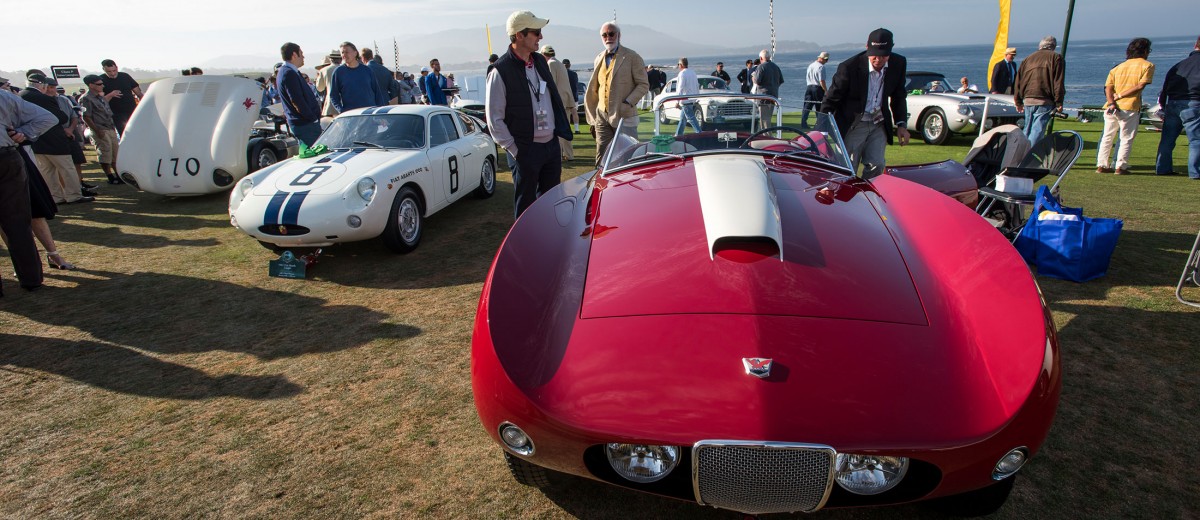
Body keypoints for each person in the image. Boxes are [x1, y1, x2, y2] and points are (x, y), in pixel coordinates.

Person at [486, 10, 572, 219]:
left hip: (550, 146)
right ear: (519, 35)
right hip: (525, 150)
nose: (541, 36)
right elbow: (494, 119)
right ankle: (526, 241)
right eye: (536, 32)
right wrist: (517, 151)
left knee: (551, 203)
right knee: (526, 209)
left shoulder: (540, 61)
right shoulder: (499, 71)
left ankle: (548, 237)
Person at [820, 28, 911, 179]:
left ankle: (868, 191)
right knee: (847, 169)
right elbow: (831, 98)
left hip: (879, 123)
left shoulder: (899, 63)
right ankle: (845, 192)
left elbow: (899, 95)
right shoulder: (849, 67)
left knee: (877, 164)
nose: (878, 60)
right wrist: (822, 130)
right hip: (853, 124)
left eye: (883, 55)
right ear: (867, 47)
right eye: (874, 55)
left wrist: (901, 124)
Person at [0, 88, 57, 294]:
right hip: (6, 158)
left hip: (7, 158)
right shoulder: (4, 96)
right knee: (17, 221)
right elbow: (46, 118)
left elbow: (47, 118)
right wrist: (23, 133)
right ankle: (31, 278)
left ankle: (31, 277)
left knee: (17, 220)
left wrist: (23, 133)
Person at [585, 22, 649, 167]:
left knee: (629, 154)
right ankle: (600, 179)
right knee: (602, 153)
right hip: (601, 115)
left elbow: (643, 84)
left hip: (624, 115)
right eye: (604, 35)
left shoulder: (632, 56)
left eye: (611, 34)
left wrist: (628, 102)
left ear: (619, 35)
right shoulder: (599, 58)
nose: (608, 37)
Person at [20, 74, 91, 205]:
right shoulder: (44, 98)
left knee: (47, 171)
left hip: (35, 139)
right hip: (54, 139)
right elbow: (61, 118)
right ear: (42, 85)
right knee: (67, 168)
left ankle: (56, 197)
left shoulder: (20, 96)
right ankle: (74, 195)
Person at [1095, 38, 1154, 175]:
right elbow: (1140, 86)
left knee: (1107, 136)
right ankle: (1120, 166)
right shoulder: (1148, 65)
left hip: (1111, 107)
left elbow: (1108, 88)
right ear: (1146, 51)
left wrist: (1111, 102)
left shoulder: (1118, 67)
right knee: (1126, 137)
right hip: (1130, 106)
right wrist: (1120, 96)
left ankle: (1101, 165)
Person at [1155, 36, 1200, 179]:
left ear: (1195, 45)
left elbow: (1165, 88)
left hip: (1173, 103)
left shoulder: (1178, 65)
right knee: (1196, 140)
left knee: (1167, 139)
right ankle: (1195, 172)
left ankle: (1162, 168)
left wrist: (1163, 107)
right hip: (1194, 103)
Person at [1014, 36, 1065, 143]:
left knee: (1027, 129)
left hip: (1028, 98)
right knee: (1037, 130)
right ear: (1053, 46)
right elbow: (1058, 82)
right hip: (1044, 99)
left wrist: (1018, 101)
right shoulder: (1056, 58)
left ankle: (1021, 151)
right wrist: (1059, 102)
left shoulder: (1028, 59)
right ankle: (1030, 152)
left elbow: (1018, 81)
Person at [276, 43, 324, 147]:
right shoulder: (288, 73)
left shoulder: (288, 72)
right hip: (305, 124)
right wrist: (312, 118)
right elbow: (297, 100)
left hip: (304, 123)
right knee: (314, 152)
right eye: (301, 53)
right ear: (294, 55)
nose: (303, 56)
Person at [79, 74, 121, 183]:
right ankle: (110, 176)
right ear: (91, 85)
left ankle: (118, 175)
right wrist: (97, 131)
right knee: (105, 153)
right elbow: (86, 116)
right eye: (99, 84)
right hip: (100, 128)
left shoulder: (100, 97)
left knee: (115, 153)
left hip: (110, 127)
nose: (102, 85)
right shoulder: (86, 98)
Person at [329, 42, 387, 113]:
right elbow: (333, 95)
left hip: (369, 113)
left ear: (355, 53)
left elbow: (377, 93)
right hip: (351, 114)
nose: (344, 55)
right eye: (342, 52)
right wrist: (341, 110)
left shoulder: (367, 70)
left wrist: (380, 112)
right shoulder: (338, 72)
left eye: (347, 52)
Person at [541, 45, 576, 161]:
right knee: (565, 128)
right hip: (566, 100)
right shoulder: (560, 63)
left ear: (543, 55)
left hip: (559, 102)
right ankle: (569, 155)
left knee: (558, 129)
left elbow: (551, 84)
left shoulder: (551, 64)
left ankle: (559, 156)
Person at [99, 59, 142, 136]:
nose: (112, 73)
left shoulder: (125, 76)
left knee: (138, 131)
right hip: (116, 114)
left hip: (132, 110)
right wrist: (110, 95)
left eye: (114, 70)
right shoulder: (101, 81)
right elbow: (99, 101)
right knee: (124, 134)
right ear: (103, 69)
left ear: (117, 67)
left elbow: (138, 93)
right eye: (109, 71)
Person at [754, 49, 784, 125]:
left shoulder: (761, 67)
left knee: (764, 119)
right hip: (773, 96)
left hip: (763, 97)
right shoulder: (776, 67)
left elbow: (757, 81)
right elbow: (781, 81)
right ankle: (766, 132)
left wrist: (753, 77)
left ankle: (767, 133)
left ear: (761, 58)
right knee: (768, 118)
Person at [673, 57, 702, 136]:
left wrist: (677, 101)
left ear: (681, 65)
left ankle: (700, 134)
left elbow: (680, 88)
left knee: (691, 118)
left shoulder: (682, 74)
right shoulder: (693, 72)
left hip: (686, 99)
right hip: (692, 98)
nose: (678, 66)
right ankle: (678, 135)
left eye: (678, 64)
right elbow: (697, 85)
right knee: (683, 119)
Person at [802, 51, 830, 128]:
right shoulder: (821, 67)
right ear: (823, 59)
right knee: (819, 106)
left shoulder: (811, 65)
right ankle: (819, 124)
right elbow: (822, 81)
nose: (826, 61)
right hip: (817, 88)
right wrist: (826, 91)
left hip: (809, 87)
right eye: (826, 60)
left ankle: (803, 123)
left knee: (807, 106)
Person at [316, 49, 342, 117]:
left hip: (330, 104)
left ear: (330, 59)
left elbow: (320, 88)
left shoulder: (324, 70)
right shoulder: (345, 69)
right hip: (345, 103)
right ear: (341, 59)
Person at [563, 59, 581, 133]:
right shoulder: (574, 74)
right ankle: (577, 129)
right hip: (574, 96)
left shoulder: (562, 74)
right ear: (569, 65)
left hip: (565, 95)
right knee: (574, 113)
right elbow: (575, 85)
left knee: (566, 113)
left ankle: (567, 128)